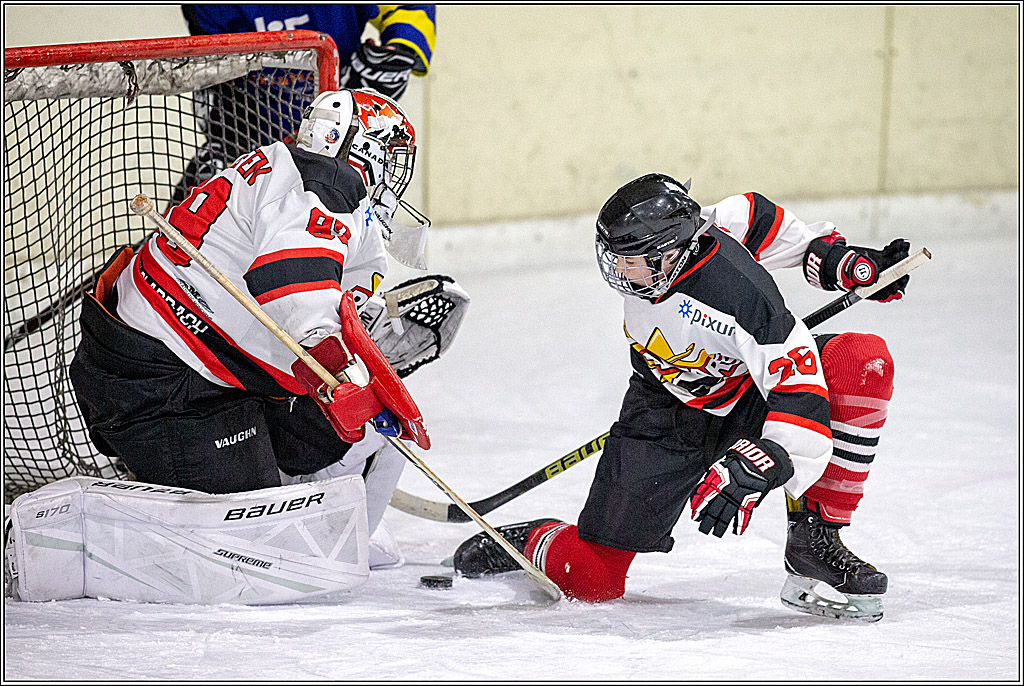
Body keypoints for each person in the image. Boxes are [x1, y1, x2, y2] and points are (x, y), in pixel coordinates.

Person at [451, 173, 911, 622]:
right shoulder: (691, 229)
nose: (620, 271)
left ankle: (816, 540)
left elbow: (798, 390)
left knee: (861, 361)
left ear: (670, 252)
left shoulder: (745, 299)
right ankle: (534, 539)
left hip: (752, 394)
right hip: (664, 412)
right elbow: (757, 215)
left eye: (631, 259)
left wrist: (771, 456)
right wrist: (836, 261)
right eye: (615, 257)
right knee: (592, 581)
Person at [68, 88, 447, 561]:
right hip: (162, 386)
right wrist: (330, 356)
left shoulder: (294, 171)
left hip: (196, 372)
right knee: (249, 544)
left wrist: (354, 343)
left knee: (375, 433)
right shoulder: (324, 185)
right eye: (390, 157)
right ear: (361, 148)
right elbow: (293, 278)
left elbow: (308, 283)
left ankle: (332, 531)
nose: (393, 176)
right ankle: (77, 535)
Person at [172, 4, 436, 203]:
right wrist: (230, 127)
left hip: (338, 122)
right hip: (254, 121)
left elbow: (409, 8)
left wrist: (401, 48)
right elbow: (213, 68)